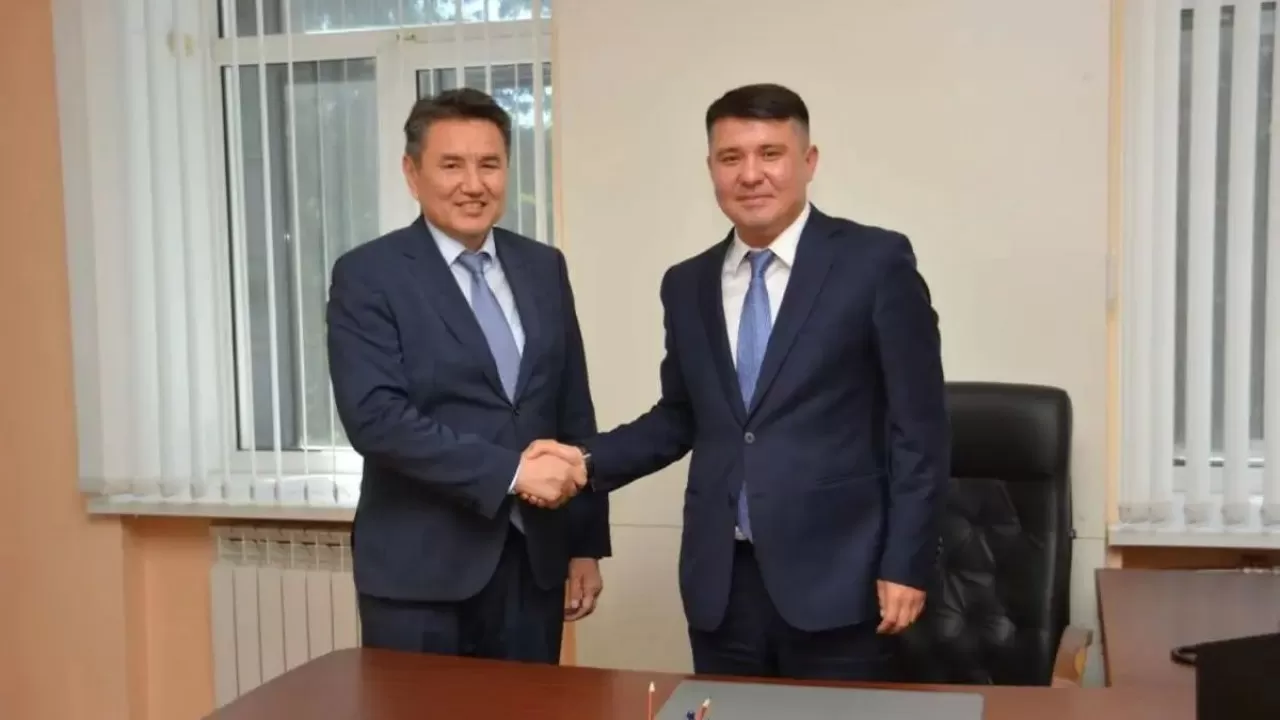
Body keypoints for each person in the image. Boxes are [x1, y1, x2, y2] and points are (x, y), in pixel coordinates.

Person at [525, 83, 948, 681]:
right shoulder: (687, 284)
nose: (751, 174)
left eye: (771, 153)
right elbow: (680, 416)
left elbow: (920, 430)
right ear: (711, 169)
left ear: (809, 161)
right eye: (731, 158)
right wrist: (584, 461)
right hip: (722, 586)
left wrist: (906, 562)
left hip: (843, 580)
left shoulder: (875, 264)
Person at [326, 88, 610, 664]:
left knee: (531, 708)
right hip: (419, 574)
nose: (473, 184)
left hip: (533, 565)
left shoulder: (543, 267)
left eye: (490, 164)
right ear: (412, 173)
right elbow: (377, 420)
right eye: (451, 165)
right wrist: (512, 472)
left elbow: (571, 409)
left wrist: (585, 544)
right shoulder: (369, 274)